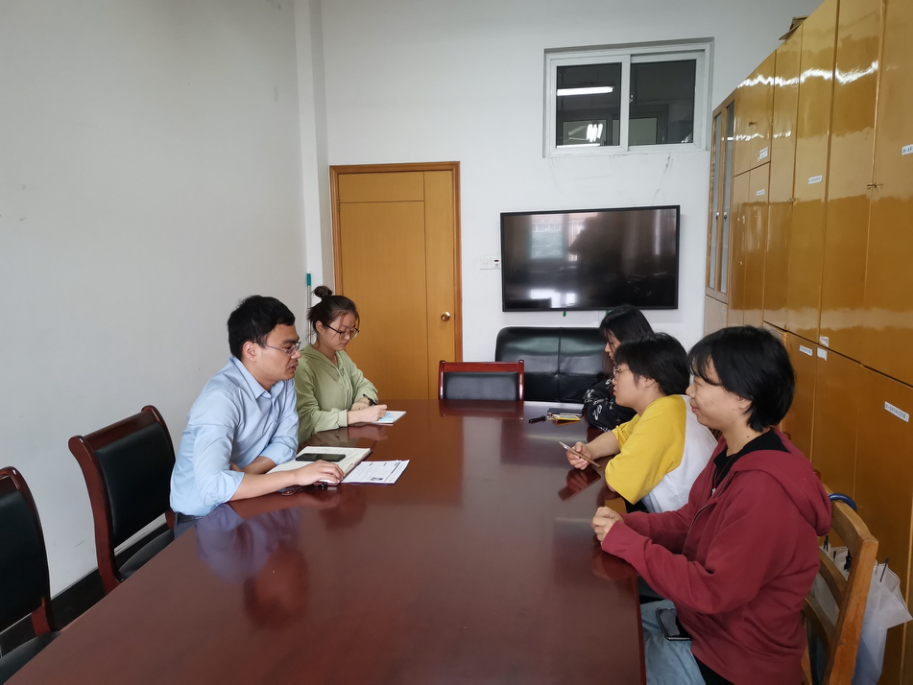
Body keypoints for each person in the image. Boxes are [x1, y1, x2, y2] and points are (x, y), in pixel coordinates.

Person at [591, 326, 831, 684]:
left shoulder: (764, 491)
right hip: (701, 625)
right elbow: (691, 520)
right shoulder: (733, 448)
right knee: (596, 630)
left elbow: (712, 591)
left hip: (732, 660)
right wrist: (629, 526)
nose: (689, 391)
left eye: (702, 383)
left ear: (743, 398)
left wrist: (630, 544)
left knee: (606, 668)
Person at [170, 296, 344, 532]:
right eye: (288, 348)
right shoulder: (220, 399)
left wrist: (247, 473)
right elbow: (213, 487)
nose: (297, 355)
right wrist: (295, 476)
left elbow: (286, 443)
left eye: (296, 346)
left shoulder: (283, 380)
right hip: (204, 520)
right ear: (251, 350)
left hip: (247, 500)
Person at [567, 333, 717, 513]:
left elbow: (617, 481)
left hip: (688, 527)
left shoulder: (664, 414)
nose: (614, 379)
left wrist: (619, 460)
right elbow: (620, 435)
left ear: (648, 378)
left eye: (619, 371)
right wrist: (590, 450)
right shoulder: (672, 403)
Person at [294, 286, 386, 442]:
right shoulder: (303, 365)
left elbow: (364, 385)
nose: (347, 337)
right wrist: (356, 416)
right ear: (320, 327)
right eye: (342, 331)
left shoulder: (341, 356)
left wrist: (363, 401)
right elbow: (308, 420)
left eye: (351, 331)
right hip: (319, 447)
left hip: (344, 442)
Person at [584, 305, 654, 431]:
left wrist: (599, 406)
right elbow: (593, 392)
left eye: (611, 343)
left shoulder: (647, 378)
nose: (606, 349)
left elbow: (611, 415)